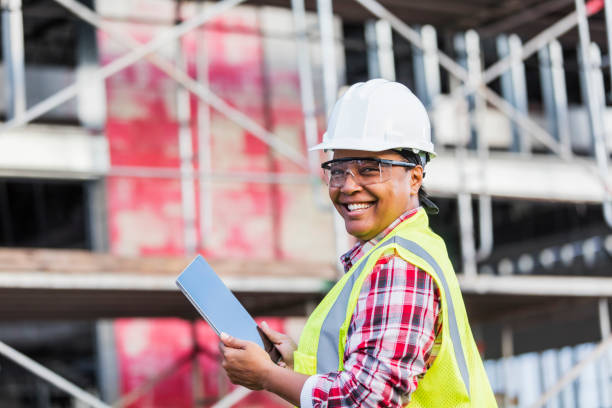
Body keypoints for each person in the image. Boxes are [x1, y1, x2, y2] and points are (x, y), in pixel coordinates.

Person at [220, 79, 497, 407]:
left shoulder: (399, 263)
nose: (348, 186)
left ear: (415, 178)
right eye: (337, 170)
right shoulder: (391, 254)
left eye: (369, 169)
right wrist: (295, 364)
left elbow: (365, 401)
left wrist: (269, 376)